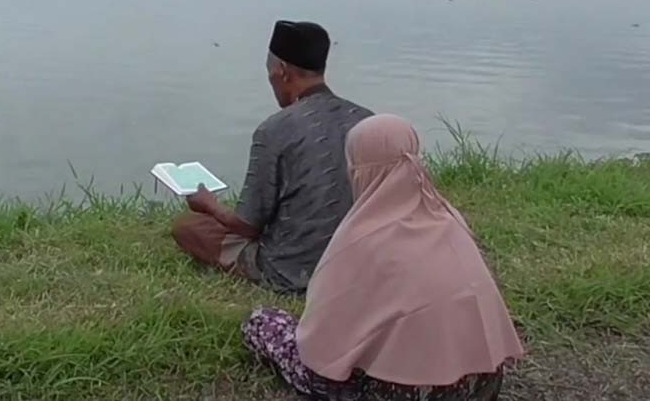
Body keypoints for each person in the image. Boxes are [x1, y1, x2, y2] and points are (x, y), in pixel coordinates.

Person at [242, 114, 524, 400]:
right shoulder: (448, 219)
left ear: (359, 170)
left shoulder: (362, 239)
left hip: (404, 392)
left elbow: (320, 350)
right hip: (479, 386)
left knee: (262, 321)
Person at [171, 20, 371, 294]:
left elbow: (248, 227)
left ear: (282, 72)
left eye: (271, 76)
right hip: (356, 264)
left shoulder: (274, 129)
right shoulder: (366, 120)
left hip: (290, 271)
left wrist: (210, 206)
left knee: (189, 228)